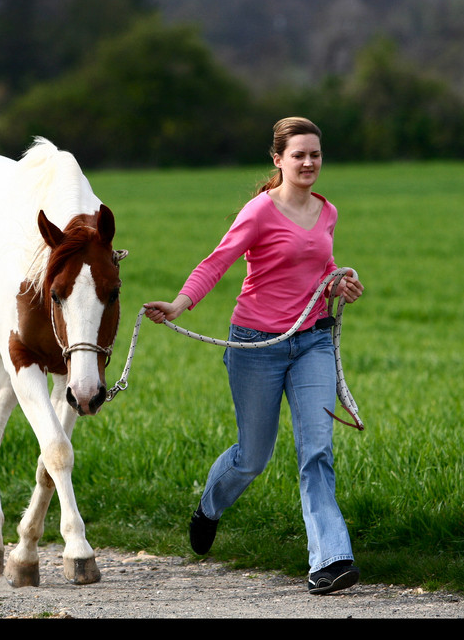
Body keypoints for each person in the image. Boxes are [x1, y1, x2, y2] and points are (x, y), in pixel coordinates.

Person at [143, 117, 364, 595]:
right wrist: (180, 304)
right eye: (299, 154)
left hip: (312, 341)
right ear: (278, 159)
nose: (309, 163)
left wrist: (337, 281)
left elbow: (321, 263)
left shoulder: (328, 212)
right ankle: (209, 508)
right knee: (252, 457)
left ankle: (330, 560)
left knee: (317, 452)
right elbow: (217, 261)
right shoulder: (259, 211)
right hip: (255, 346)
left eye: (315, 155)